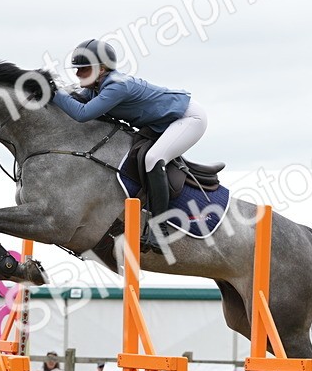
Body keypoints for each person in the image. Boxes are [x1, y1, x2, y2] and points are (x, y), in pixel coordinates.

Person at [50, 39, 208, 253]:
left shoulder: (117, 86)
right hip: (163, 122)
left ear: (102, 69)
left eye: (83, 69)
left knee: (154, 159)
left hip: (189, 119)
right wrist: (51, 89)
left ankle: (160, 230)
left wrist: (53, 92)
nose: (77, 74)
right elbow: (76, 99)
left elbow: (82, 114)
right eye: (77, 70)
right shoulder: (97, 87)